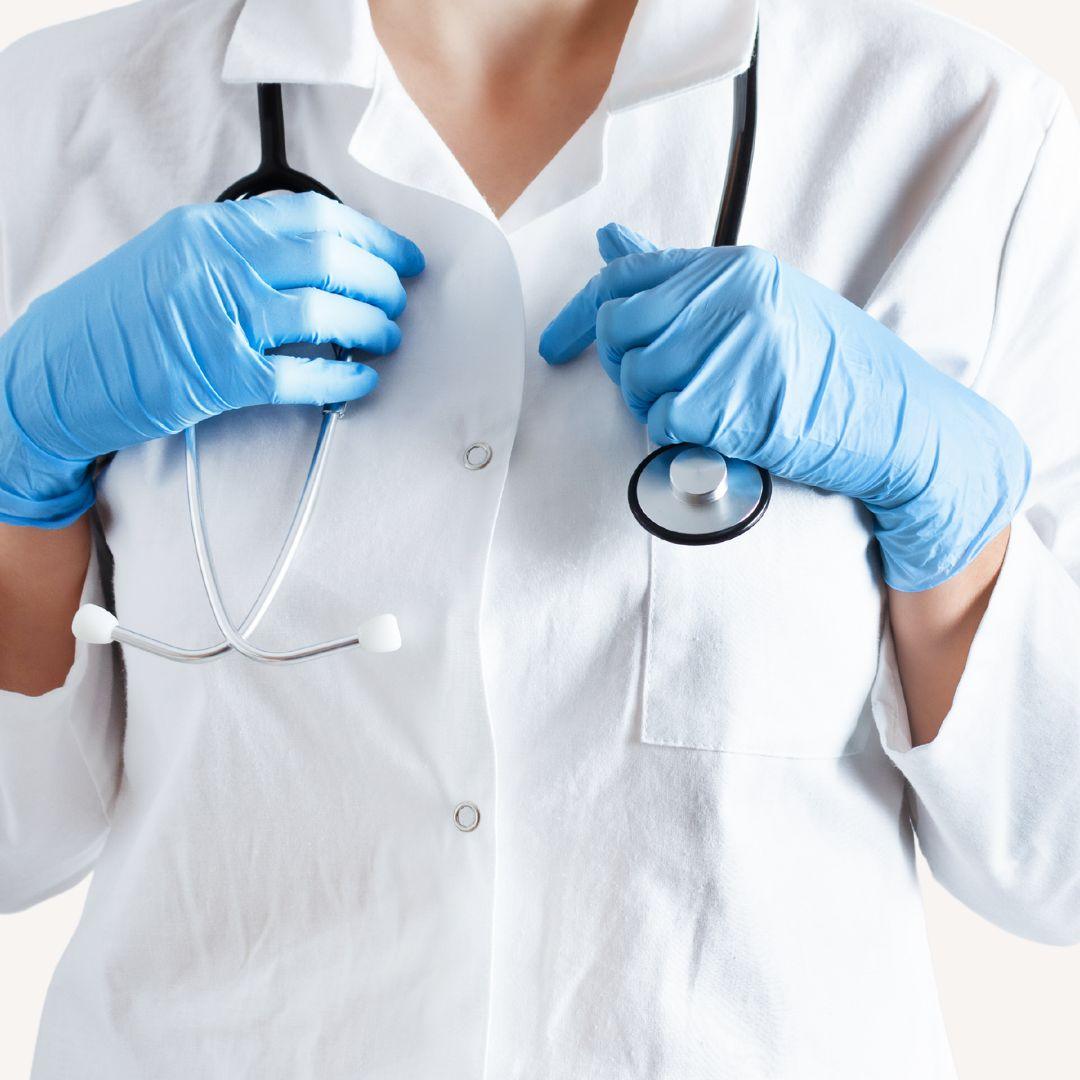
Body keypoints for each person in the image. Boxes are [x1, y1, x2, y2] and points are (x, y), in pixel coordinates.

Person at [0, 0, 1077, 1076]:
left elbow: (1058, 864)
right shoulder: (54, 122)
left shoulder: (966, 139)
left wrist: (956, 522)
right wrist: (16, 464)